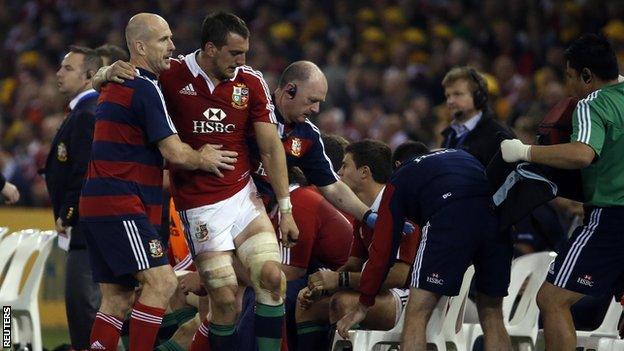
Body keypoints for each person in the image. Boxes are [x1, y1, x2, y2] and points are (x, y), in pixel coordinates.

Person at [80, 13, 237, 351]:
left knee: (117, 299)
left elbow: (100, 83)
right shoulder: (144, 87)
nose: (173, 46)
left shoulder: (118, 81)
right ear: (139, 46)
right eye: (163, 40)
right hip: (121, 201)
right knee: (163, 281)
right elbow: (175, 152)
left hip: (100, 201)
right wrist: (204, 158)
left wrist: (105, 72)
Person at [500, 33, 624, 351]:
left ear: (586, 75)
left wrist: (525, 152)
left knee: (552, 299)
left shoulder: (592, 103)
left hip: (612, 216)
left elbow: (582, 153)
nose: (570, 87)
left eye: (570, 77)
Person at [337, 145, 512, 351]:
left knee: (417, 313)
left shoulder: (398, 181)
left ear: (398, 166)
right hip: (499, 218)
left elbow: (382, 253)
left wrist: (364, 304)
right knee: (492, 312)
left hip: (450, 216)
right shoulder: (457, 154)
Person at [296, 140, 421, 351]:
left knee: (343, 303)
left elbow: (397, 276)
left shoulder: (400, 208)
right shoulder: (364, 213)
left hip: (411, 295)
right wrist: (322, 286)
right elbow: (353, 264)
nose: (339, 172)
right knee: (308, 306)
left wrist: (339, 280)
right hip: (380, 291)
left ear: (364, 172)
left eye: (345, 166)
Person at [250, 61, 371, 223]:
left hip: (265, 218)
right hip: (228, 203)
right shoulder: (247, 114)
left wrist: (368, 215)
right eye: (312, 100)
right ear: (290, 90)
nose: (316, 109)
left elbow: (332, 186)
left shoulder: (308, 135)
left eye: (319, 102)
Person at [42, 45, 103, 350]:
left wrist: (67, 213)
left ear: (90, 75)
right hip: (82, 226)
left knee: (84, 309)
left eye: (67, 68)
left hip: (84, 228)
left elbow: (84, 172)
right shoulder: (81, 112)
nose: (58, 74)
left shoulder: (87, 114)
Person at [440, 66, 514, 166]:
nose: (450, 101)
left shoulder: (498, 134)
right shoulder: (449, 135)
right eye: (448, 96)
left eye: (457, 94)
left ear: (478, 96)